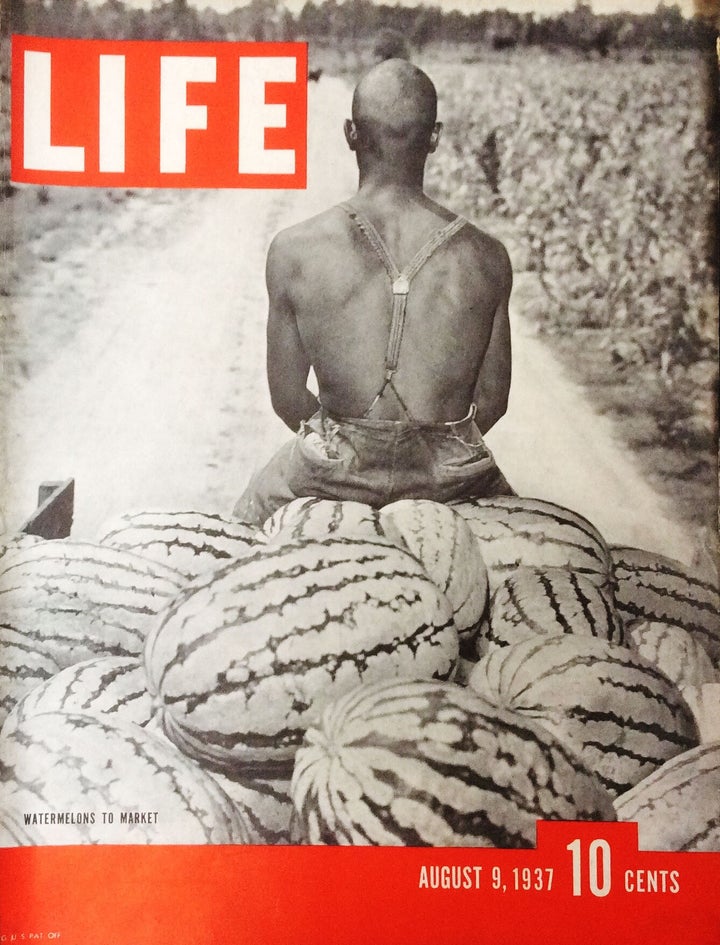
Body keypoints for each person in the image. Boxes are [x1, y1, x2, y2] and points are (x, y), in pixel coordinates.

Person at [233, 58, 514, 526]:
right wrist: (425, 454)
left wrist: (355, 446)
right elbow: (493, 403)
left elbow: (286, 397)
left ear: (350, 134)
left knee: (239, 532)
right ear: (434, 137)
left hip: (330, 473)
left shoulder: (294, 249)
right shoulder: (487, 255)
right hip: (449, 479)